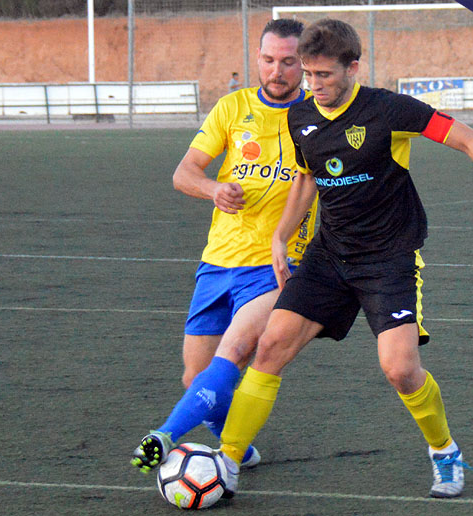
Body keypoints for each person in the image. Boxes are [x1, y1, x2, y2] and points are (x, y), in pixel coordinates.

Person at [214, 18, 473, 500]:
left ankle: (444, 450)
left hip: (388, 259)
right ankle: (226, 462)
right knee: (270, 348)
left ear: (353, 67)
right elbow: (307, 177)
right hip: (328, 257)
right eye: (308, 74)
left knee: (399, 369)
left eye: (324, 75)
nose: (314, 85)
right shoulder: (300, 116)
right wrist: (280, 237)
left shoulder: (390, 109)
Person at [131, 19, 317, 474]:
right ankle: (237, 447)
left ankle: (166, 435)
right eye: (269, 60)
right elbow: (183, 173)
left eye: (289, 62)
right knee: (195, 378)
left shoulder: (319, 115)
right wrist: (214, 190)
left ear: (305, 65)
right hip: (217, 262)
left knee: (231, 357)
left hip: (277, 264)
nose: (278, 71)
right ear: (257, 59)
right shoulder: (232, 108)